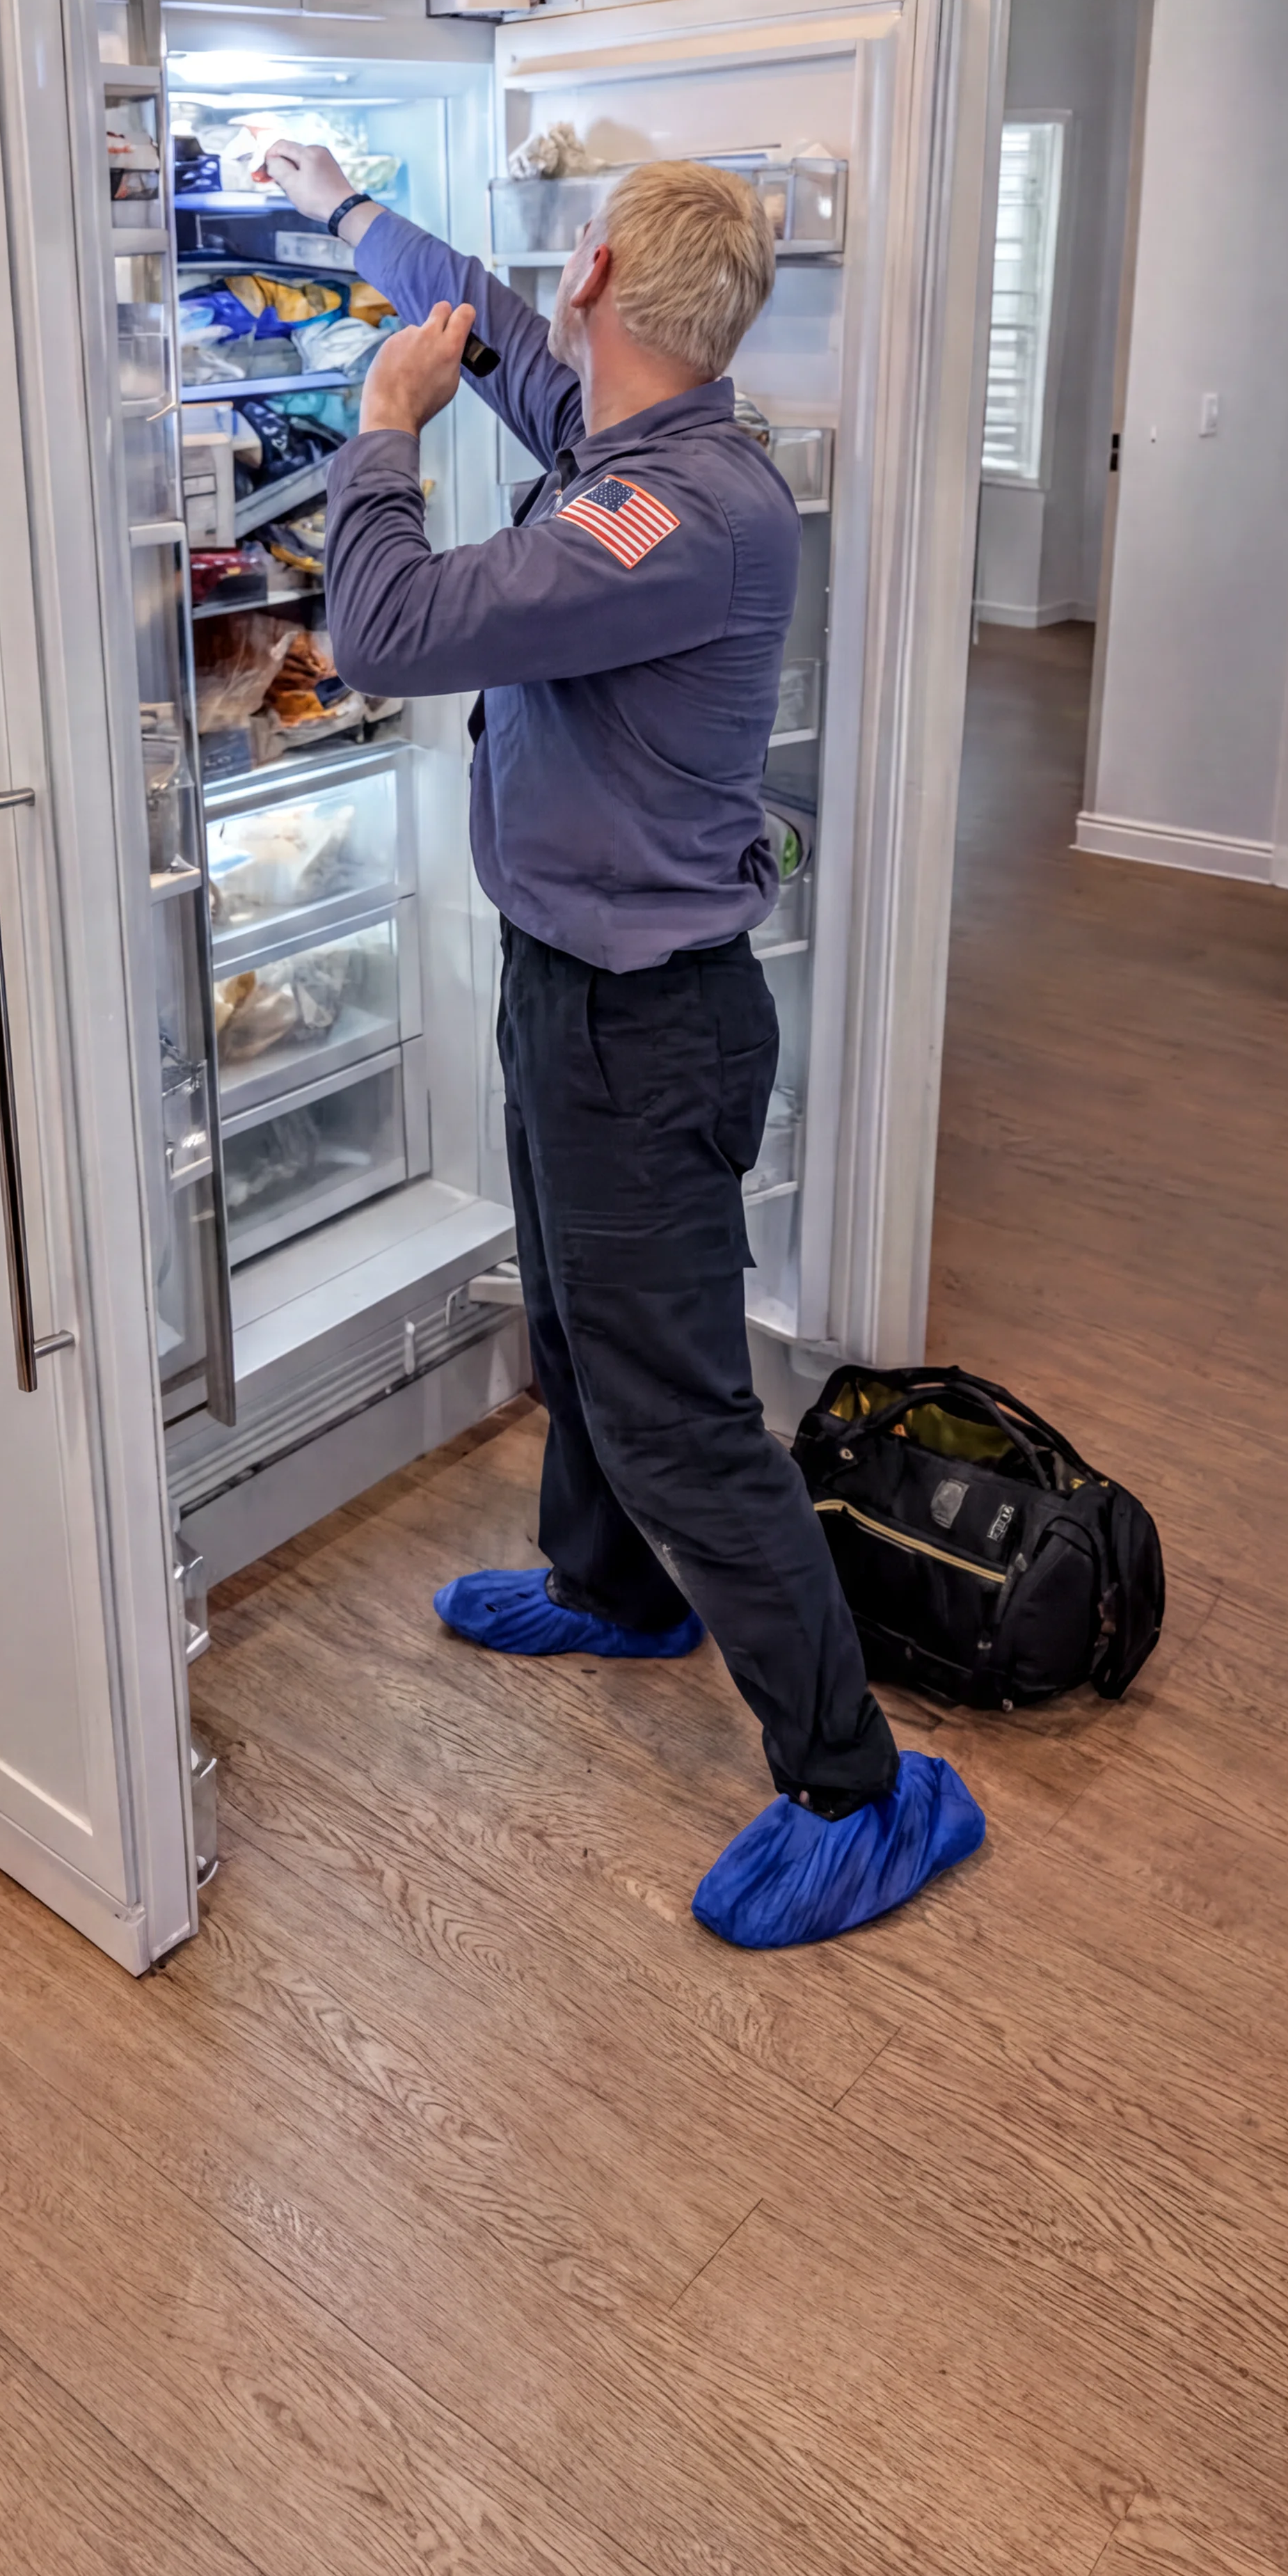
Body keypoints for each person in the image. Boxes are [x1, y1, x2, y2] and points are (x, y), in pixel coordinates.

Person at [257, 138, 984, 1949]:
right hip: (569, 990)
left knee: (681, 1421)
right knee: (576, 1329)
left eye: (561, 278)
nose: (541, 309)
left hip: (641, 1028)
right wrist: (346, 212)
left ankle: (860, 1783)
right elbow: (496, 334)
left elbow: (391, 622)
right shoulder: (634, 439)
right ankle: (612, 1589)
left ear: (602, 278)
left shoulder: (668, 516)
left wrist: (379, 430)